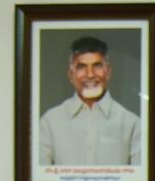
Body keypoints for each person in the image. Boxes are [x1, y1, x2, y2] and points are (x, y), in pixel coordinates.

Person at [38, 36, 141, 166]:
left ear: (108, 72)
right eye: (82, 67)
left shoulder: (132, 124)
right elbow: (40, 176)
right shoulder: (49, 123)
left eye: (97, 65)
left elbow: (140, 177)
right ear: (71, 75)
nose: (90, 74)